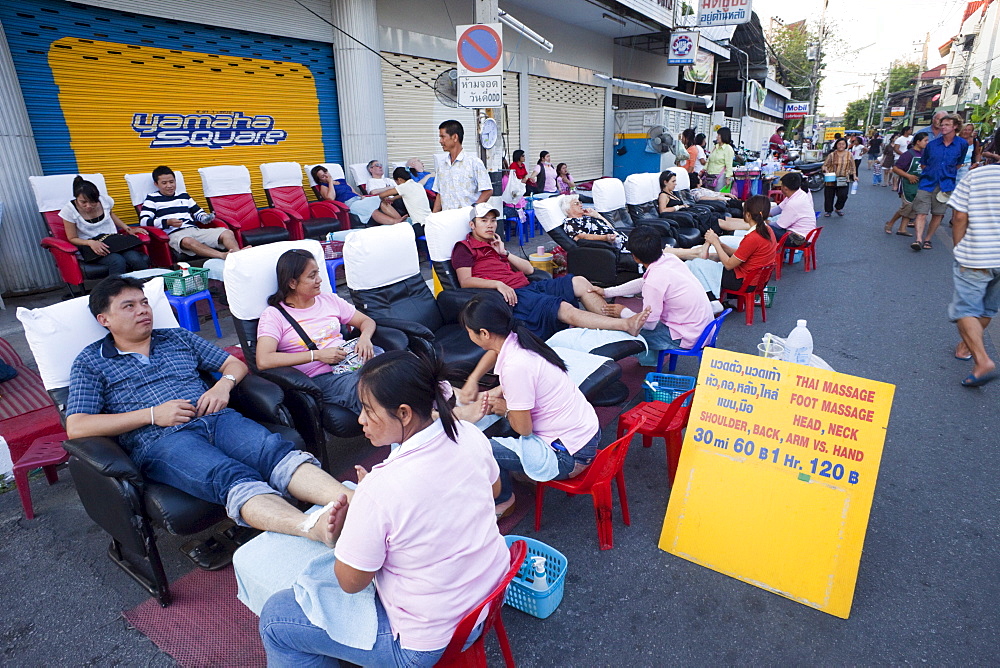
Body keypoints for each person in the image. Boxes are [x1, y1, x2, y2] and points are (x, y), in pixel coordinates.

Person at [259, 349, 507, 665]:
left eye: (367, 409)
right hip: (486, 598)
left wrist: (360, 512)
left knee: (276, 619)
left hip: (427, 642)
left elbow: (350, 583)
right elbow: (494, 489)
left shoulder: (382, 488)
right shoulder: (466, 433)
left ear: (403, 413)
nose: (361, 420)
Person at [66, 276, 352, 546]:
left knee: (274, 452)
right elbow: (77, 426)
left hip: (217, 418)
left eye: (144, 303)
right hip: (161, 440)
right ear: (104, 320)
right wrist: (152, 415)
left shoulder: (176, 338)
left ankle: (355, 500)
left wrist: (222, 387)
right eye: (129, 306)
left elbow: (234, 364)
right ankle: (310, 528)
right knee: (228, 475)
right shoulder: (91, 362)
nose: (142, 310)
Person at [458, 294, 601, 517]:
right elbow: (494, 352)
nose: (468, 335)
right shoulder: (519, 339)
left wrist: (504, 409)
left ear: (484, 333)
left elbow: (524, 429)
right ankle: (523, 471)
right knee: (505, 427)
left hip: (570, 456)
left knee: (481, 448)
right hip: (585, 433)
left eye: (469, 331)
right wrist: (473, 379)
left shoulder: (516, 366)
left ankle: (505, 500)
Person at [451, 203, 650, 339]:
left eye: (493, 220)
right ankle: (624, 326)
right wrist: (498, 284)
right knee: (563, 308)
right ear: (472, 225)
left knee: (579, 281)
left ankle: (612, 324)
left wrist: (504, 253)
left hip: (528, 286)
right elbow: (465, 281)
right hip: (511, 297)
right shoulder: (464, 248)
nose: (490, 225)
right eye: (483, 221)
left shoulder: (495, 244)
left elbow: (529, 269)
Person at [256, 249, 382, 418]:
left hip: (352, 362)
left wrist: (364, 338)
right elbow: (264, 360)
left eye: (318, 273)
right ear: (292, 283)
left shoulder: (329, 300)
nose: (319, 280)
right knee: (374, 388)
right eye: (312, 276)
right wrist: (317, 355)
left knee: (400, 370)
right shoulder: (274, 315)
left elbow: (366, 321)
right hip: (323, 377)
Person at [592, 227, 713, 367]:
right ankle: (650, 356)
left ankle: (648, 358)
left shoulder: (654, 281)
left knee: (623, 331)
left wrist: (623, 312)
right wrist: (607, 292)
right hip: (702, 327)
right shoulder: (669, 259)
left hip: (688, 336)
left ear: (635, 257)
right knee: (632, 324)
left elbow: (649, 325)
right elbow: (644, 282)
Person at [947, 165, 1000, 387]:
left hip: (977, 254)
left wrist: (959, 248)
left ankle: (982, 361)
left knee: (966, 310)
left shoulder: (978, 174)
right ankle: (965, 347)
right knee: (988, 308)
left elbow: (959, 216)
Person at [139, 166, 239, 260]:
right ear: (156, 184)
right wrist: (167, 222)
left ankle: (238, 255)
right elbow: (144, 221)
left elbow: (198, 213)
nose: (169, 186)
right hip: (175, 234)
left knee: (227, 232)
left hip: (194, 230)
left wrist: (206, 217)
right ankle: (223, 256)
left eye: (171, 182)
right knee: (188, 241)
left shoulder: (184, 195)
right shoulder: (152, 199)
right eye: (164, 183)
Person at [60, 176, 149, 276]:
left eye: (93, 202)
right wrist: (90, 243)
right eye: (83, 202)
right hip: (91, 247)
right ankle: (116, 290)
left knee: (135, 259)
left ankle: (147, 286)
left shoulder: (105, 201)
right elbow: (72, 238)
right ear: (76, 198)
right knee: (117, 261)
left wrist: (127, 229)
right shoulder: (69, 211)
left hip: (112, 241)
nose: (88, 205)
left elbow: (111, 215)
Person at [696, 195, 778, 300]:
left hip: (744, 282)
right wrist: (720, 244)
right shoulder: (768, 231)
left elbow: (729, 265)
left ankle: (712, 300)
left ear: (748, 215)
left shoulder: (753, 237)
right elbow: (741, 254)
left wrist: (715, 243)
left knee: (696, 264)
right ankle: (712, 300)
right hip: (757, 280)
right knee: (705, 261)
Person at [911, 114, 968, 252]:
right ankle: (918, 239)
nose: (943, 127)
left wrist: (946, 173)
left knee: (938, 214)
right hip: (927, 182)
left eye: (947, 124)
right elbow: (923, 163)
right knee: (922, 212)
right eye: (942, 124)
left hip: (946, 184)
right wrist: (932, 172)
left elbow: (959, 163)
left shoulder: (962, 144)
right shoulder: (932, 144)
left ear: (955, 126)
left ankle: (928, 239)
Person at [432, 120, 493, 212]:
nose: (440, 141)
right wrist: (434, 217)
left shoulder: (474, 163)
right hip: (447, 219)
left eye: (443, 137)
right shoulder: (442, 165)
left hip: (467, 221)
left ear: (455, 137)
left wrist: (473, 211)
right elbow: (440, 194)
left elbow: (487, 191)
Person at [311, 165, 401, 227]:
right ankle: (394, 222)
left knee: (381, 200)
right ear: (319, 180)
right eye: (323, 176)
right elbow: (330, 198)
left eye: (326, 172)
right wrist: (330, 181)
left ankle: (400, 219)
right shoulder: (324, 186)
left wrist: (362, 197)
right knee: (369, 208)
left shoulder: (342, 180)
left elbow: (353, 191)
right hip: (349, 204)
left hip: (358, 199)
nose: (326, 176)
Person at [659, 170, 744, 234]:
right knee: (717, 221)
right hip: (688, 217)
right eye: (673, 181)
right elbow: (662, 211)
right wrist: (679, 207)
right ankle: (750, 227)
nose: (675, 184)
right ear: (665, 182)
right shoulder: (663, 195)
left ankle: (752, 226)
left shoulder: (673, 194)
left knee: (720, 217)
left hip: (692, 213)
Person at [885, 131, 929, 236]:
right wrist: (908, 176)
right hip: (907, 184)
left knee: (913, 207)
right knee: (907, 206)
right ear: (918, 142)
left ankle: (902, 228)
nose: (927, 143)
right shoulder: (908, 154)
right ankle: (890, 223)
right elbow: (895, 168)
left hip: (919, 184)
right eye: (925, 140)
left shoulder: (924, 154)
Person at [561, 194, 627, 248]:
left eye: (580, 203)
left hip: (622, 238)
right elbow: (580, 237)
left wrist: (597, 215)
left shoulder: (587, 217)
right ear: (568, 209)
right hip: (612, 245)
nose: (581, 205)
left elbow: (610, 227)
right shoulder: (570, 222)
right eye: (576, 203)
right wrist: (605, 238)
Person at [767, 172, 816, 242]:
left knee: (765, 229)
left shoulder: (793, 203)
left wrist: (765, 222)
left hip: (799, 238)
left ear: (785, 188)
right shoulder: (798, 193)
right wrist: (764, 214)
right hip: (804, 233)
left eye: (781, 185)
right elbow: (779, 209)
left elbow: (778, 225)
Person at [821, 137, 857, 217]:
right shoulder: (831, 155)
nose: (841, 145)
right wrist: (825, 170)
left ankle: (838, 208)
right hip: (831, 178)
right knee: (829, 195)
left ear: (846, 145)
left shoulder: (849, 155)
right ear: (836, 145)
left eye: (843, 144)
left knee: (843, 195)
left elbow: (853, 166)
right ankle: (828, 211)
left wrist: (854, 176)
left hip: (843, 178)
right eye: (839, 144)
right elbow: (825, 165)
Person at [705, 127, 735, 191]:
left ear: (724, 136)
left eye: (719, 135)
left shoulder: (728, 149)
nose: (717, 137)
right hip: (709, 176)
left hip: (719, 177)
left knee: (717, 196)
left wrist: (728, 178)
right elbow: (709, 160)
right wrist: (703, 170)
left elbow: (729, 165)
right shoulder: (715, 147)